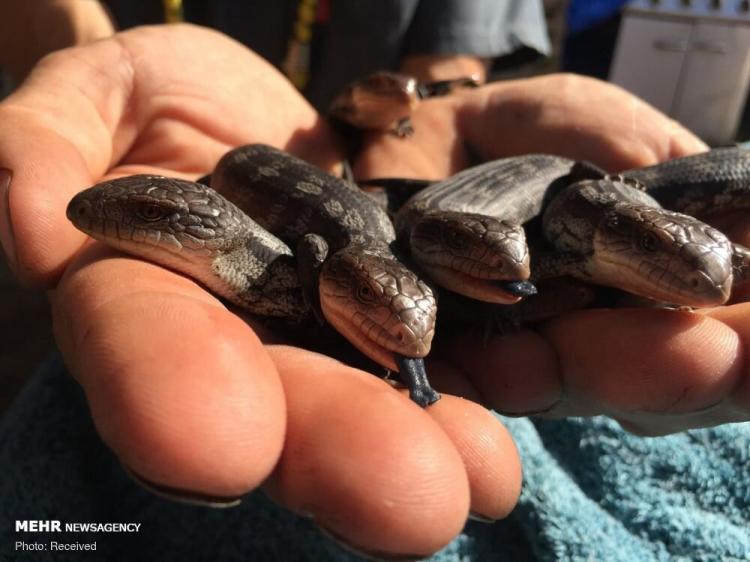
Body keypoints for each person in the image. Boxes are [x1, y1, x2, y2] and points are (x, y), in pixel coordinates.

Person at [0, 12, 748, 562]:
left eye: (153, 216)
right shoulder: (286, 255)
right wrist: (76, 38)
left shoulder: (335, 264)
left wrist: (432, 93)